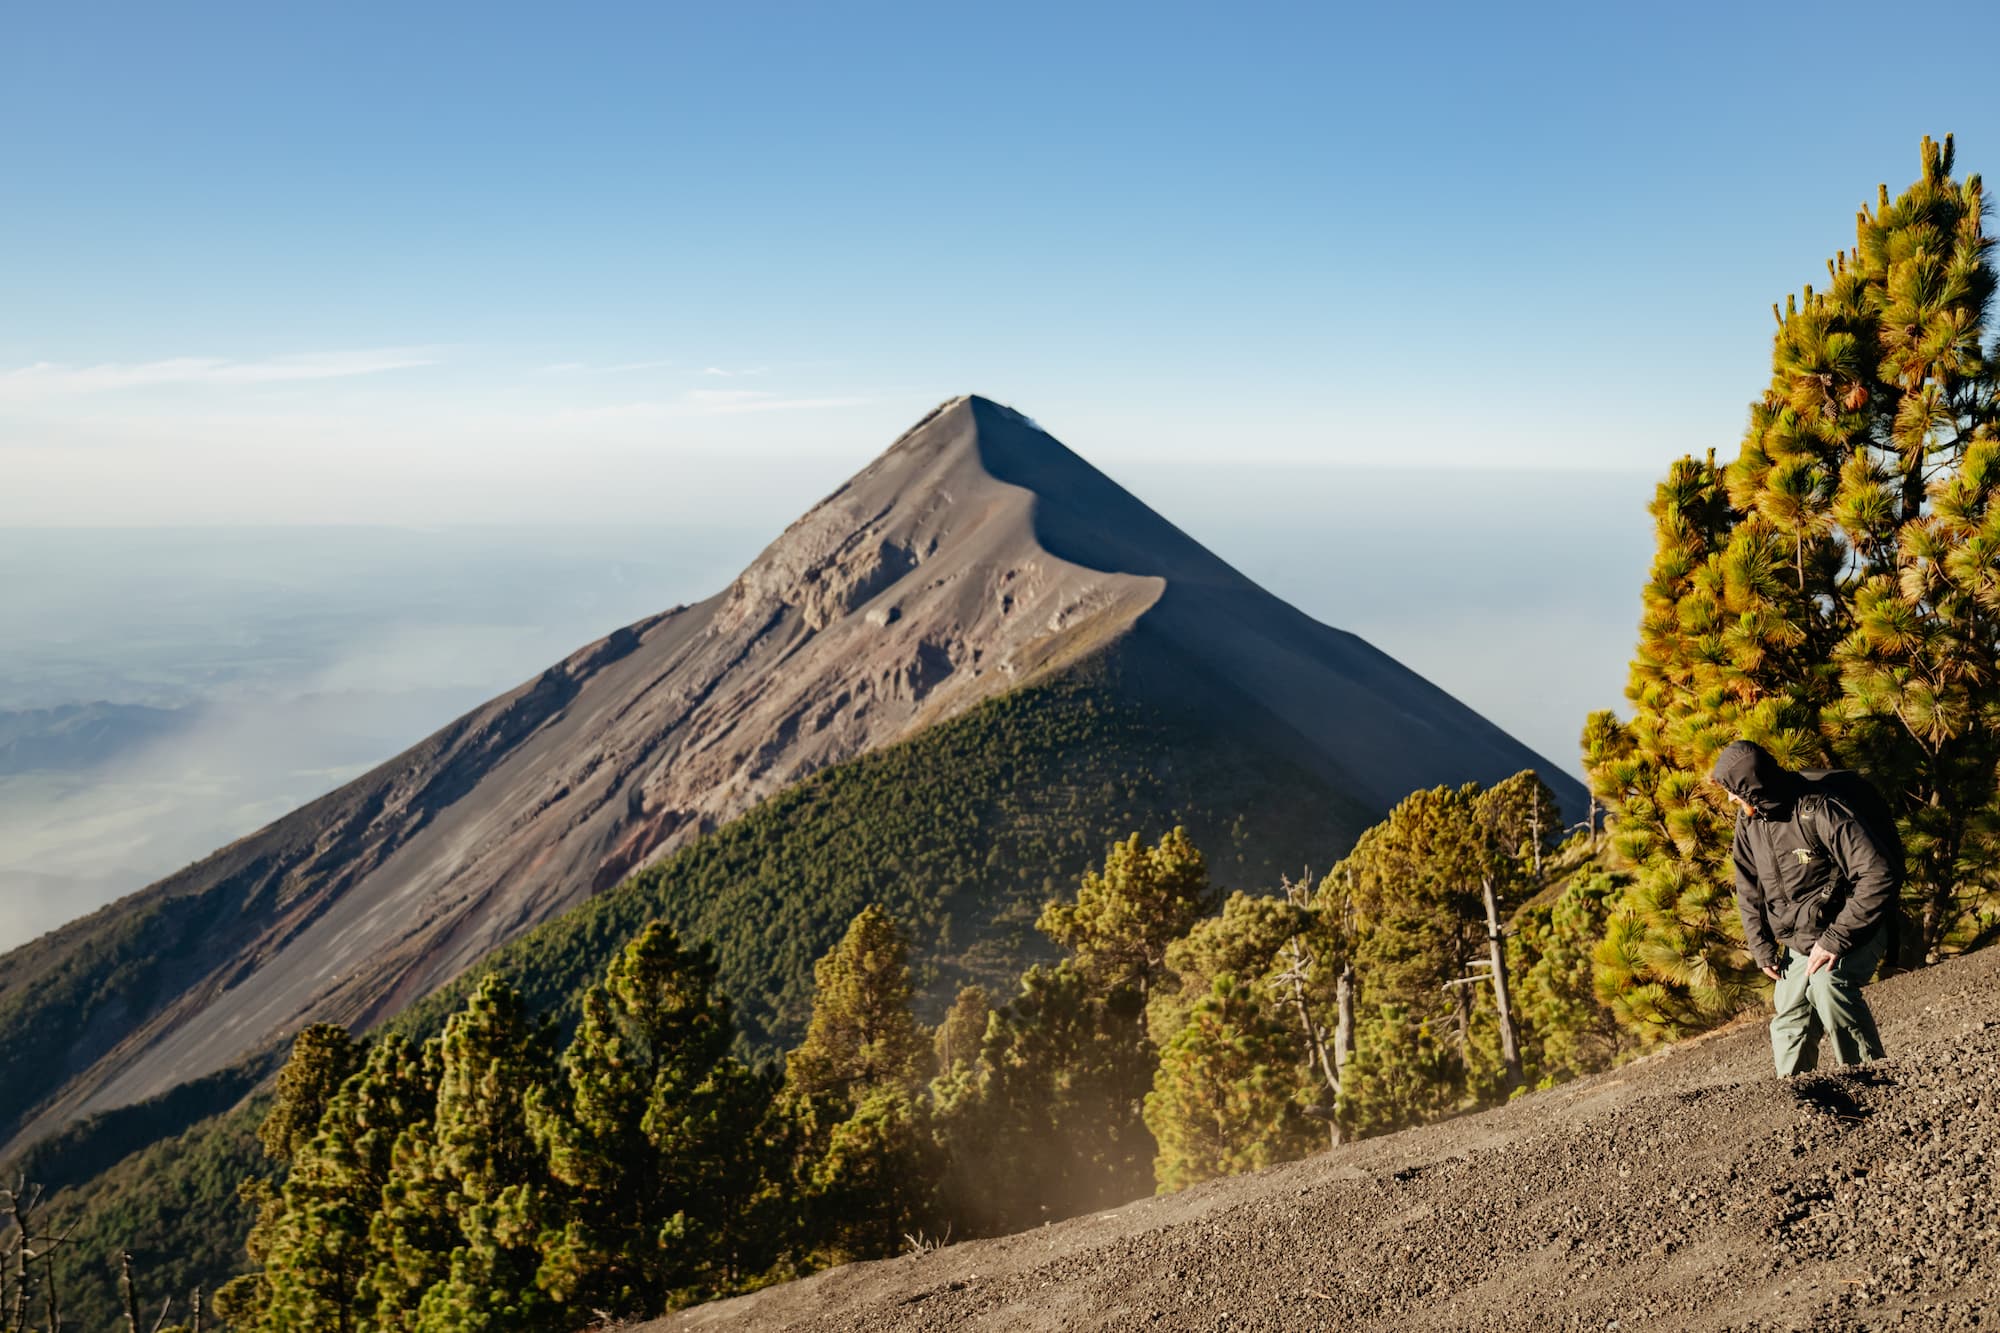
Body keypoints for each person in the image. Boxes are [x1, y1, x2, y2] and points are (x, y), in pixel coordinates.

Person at [1709, 739, 1892, 1076]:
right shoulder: (1751, 820)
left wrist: (1835, 939)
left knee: (1829, 987)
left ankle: (1869, 1081)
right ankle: (1796, 1096)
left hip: (1852, 925)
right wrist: (1761, 946)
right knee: (1790, 1015)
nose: (1732, 799)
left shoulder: (1819, 809)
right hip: (1801, 938)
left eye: (1734, 791)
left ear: (1753, 787)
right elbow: (1748, 884)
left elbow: (1877, 873)